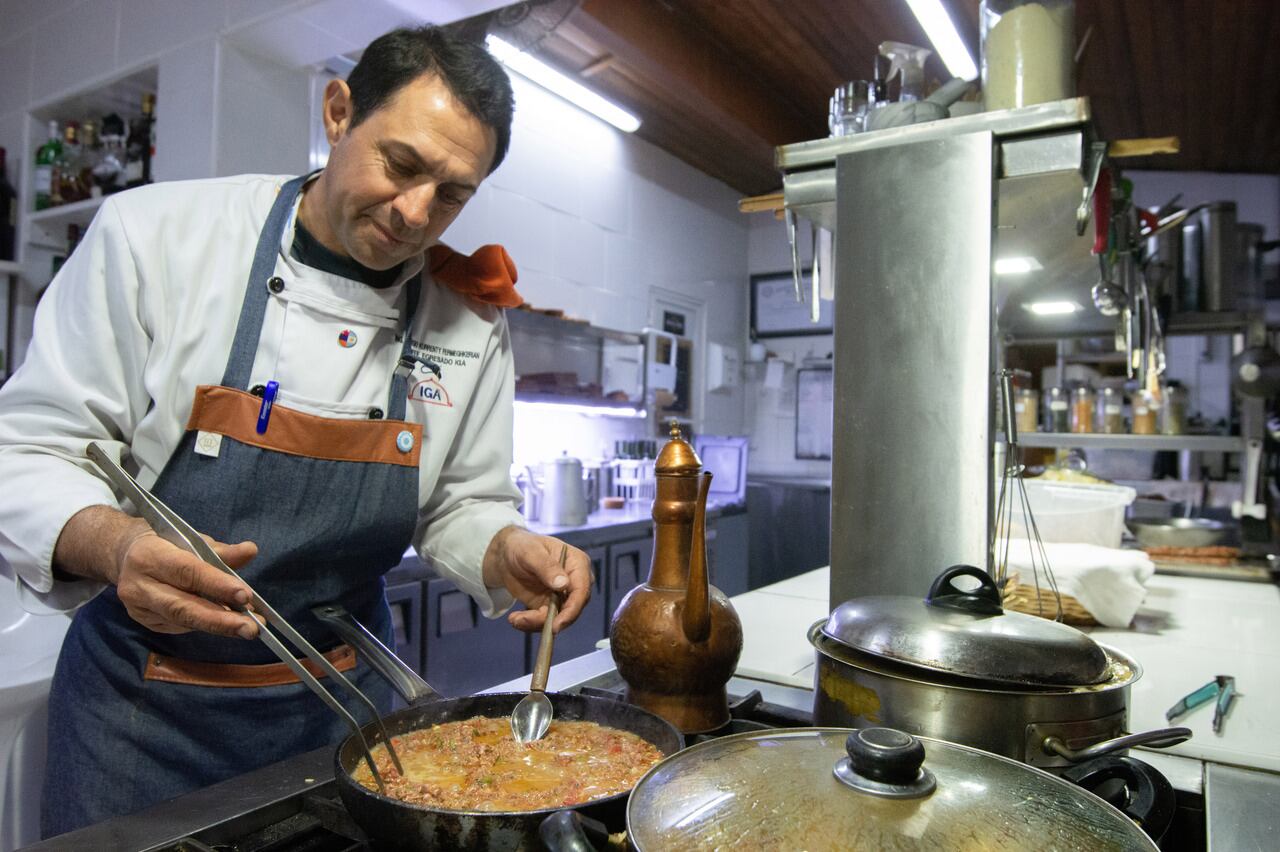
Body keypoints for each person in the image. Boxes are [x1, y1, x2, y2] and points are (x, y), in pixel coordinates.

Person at [0, 25, 592, 836]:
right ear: (339, 112)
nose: (418, 213)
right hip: (139, 717)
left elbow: (460, 502)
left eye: (452, 192)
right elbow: (28, 449)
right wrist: (115, 544)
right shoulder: (157, 239)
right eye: (403, 164)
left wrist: (504, 549)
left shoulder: (469, 323)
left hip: (348, 724)